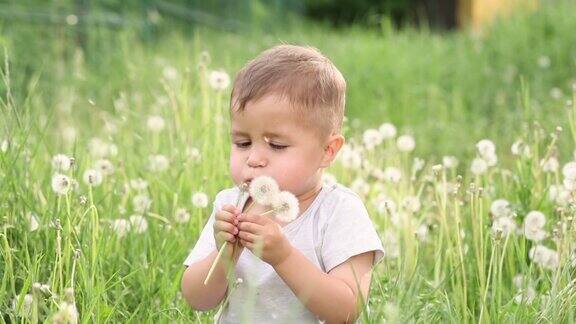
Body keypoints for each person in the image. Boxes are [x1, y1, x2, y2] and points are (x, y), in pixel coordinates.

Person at [181, 44, 384, 323]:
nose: (253, 159)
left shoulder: (339, 212)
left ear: (328, 151)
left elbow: (346, 310)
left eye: (276, 145)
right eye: (242, 143)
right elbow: (196, 299)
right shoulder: (231, 205)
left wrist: (284, 257)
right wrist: (223, 254)